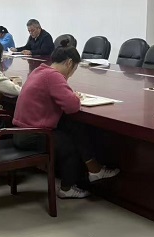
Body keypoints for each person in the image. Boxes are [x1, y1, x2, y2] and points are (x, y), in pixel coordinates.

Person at [13, 41, 119, 198]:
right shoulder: (53, 76)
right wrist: (74, 96)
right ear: (69, 63)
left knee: (73, 126)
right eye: (74, 69)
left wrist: (70, 95)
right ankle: (67, 188)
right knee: (70, 143)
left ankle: (94, 170)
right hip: (32, 134)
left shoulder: (40, 70)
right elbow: (72, 106)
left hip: (21, 132)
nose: (71, 74)